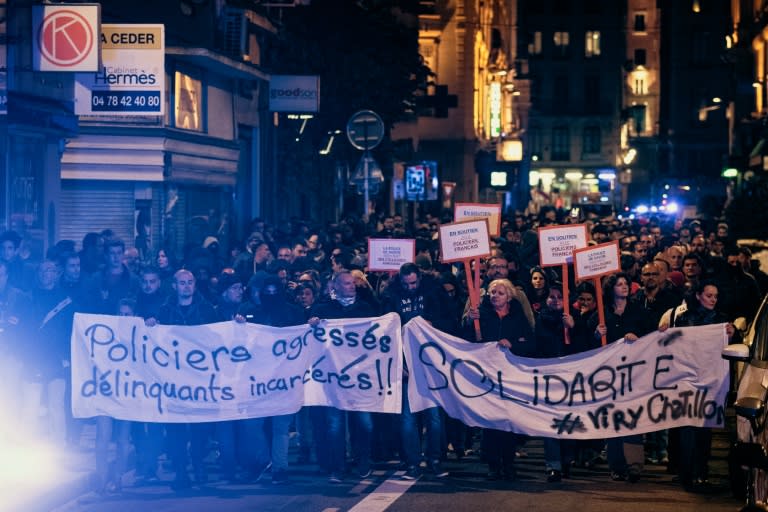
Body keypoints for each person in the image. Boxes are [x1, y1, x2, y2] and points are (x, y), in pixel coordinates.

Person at [659, 280, 740, 493]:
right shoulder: (684, 320)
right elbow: (672, 347)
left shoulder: (722, 321)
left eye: (715, 296)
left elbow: (733, 348)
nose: (713, 299)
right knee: (687, 428)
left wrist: (733, 335)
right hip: (687, 381)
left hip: (711, 382)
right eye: (709, 295)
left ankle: (701, 473)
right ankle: (686, 474)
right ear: (698, 296)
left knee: (704, 430)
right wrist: (666, 332)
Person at [381, 263, 456, 480]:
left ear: (420, 279)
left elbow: (450, 320)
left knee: (433, 418)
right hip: (405, 366)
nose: (410, 287)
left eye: (413, 283)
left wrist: (434, 324)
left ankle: (434, 459)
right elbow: (387, 333)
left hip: (430, 364)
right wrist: (397, 364)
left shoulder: (434, 292)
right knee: (408, 418)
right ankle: (412, 462)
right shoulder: (391, 296)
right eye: (406, 284)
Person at [145, 269, 219, 490]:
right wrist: (149, 327)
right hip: (172, 382)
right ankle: (180, 471)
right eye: (182, 283)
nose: (186, 286)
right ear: (174, 286)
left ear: (194, 285)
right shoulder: (164, 311)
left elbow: (219, 338)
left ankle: (198, 463)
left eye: (190, 282)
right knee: (175, 428)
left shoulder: (207, 310)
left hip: (198, 380)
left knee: (199, 428)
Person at [309, 271, 378, 483]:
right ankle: (337, 466)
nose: (352, 286)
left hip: (359, 378)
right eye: (347, 284)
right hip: (333, 378)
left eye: (353, 283)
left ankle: (363, 460)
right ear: (336, 286)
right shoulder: (323, 310)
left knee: (364, 423)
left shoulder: (365, 309)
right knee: (335, 424)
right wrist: (312, 322)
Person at [465, 278, 534, 480]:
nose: (495, 296)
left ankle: (509, 462)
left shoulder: (518, 316)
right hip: (487, 376)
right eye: (493, 292)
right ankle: (493, 464)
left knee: (509, 420)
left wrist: (512, 344)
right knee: (491, 421)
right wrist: (470, 322)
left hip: (511, 377)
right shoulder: (482, 314)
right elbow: (468, 341)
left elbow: (530, 342)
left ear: (509, 296)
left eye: (500, 293)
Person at [242, 275, 305, 484]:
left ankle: (279, 467)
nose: (270, 296)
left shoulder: (294, 313)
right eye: (266, 292)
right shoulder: (253, 313)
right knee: (253, 425)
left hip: (283, 380)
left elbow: (304, 340)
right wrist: (240, 324)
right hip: (257, 381)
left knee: (280, 427)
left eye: (274, 292)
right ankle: (262, 461)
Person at [590, 273, 645, 482]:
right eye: (619, 284)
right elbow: (587, 344)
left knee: (632, 418)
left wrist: (637, 339)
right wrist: (596, 333)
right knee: (613, 419)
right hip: (609, 375)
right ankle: (617, 465)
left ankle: (634, 465)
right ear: (611, 288)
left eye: (626, 284)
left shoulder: (638, 311)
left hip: (634, 372)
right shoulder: (601, 315)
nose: (624, 287)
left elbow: (651, 337)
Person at [534, 283, 576, 482]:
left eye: (560, 296)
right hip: (548, 379)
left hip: (571, 378)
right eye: (552, 296)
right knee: (551, 422)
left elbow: (585, 347)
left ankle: (567, 460)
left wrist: (573, 328)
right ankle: (553, 465)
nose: (556, 300)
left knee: (567, 420)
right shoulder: (539, 320)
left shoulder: (574, 319)